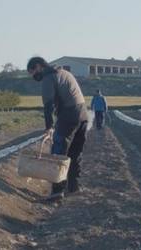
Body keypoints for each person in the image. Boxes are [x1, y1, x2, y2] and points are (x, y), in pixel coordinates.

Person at [27, 57, 88, 200]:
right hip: (83, 115)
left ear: (39, 66)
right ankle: (74, 187)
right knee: (74, 153)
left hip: (69, 115)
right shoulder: (64, 73)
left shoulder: (49, 77)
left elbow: (48, 105)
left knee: (58, 153)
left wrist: (48, 127)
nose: (33, 76)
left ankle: (57, 191)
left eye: (32, 72)